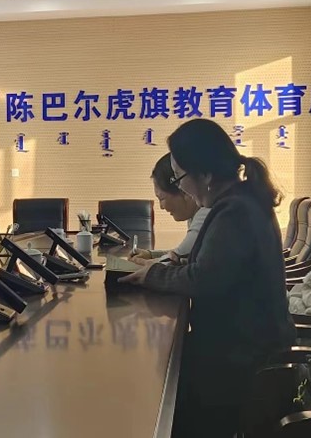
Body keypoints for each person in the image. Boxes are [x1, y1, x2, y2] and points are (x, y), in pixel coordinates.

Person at [120, 119, 295, 438]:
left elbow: (203, 279)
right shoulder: (240, 202)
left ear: (206, 175)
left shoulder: (235, 212)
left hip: (242, 358)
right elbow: (214, 268)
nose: (181, 187)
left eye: (179, 177)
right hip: (242, 347)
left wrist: (152, 274)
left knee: (159, 386)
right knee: (161, 370)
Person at [128, 154, 210, 266]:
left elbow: (175, 258)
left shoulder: (206, 212)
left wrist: (145, 263)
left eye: (162, 198)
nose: (161, 207)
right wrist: (150, 255)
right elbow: (182, 254)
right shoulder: (195, 214)